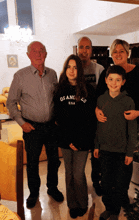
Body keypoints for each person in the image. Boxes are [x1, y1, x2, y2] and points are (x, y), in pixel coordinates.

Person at [6, 41, 64, 209]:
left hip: (51, 126)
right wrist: (22, 123)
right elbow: (11, 103)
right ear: (28, 55)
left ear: (45, 54)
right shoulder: (20, 76)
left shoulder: (52, 74)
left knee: (54, 161)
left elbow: (57, 99)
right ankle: (33, 193)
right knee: (32, 163)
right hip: (32, 128)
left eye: (41, 51)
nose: (38, 54)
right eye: (34, 51)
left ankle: (52, 188)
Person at [53, 54, 97, 219]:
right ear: (65, 70)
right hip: (65, 140)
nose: (71, 71)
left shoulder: (88, 89)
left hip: (82, 141)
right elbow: (58, 118)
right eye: (68, 67)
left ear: (80, 70)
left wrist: (78, 141)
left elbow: (90, 120)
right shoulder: (59, 89)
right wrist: (68, 140)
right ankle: (72, 204)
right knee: (68, 173)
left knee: (78, 174)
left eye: (75, 67)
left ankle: (83, 203)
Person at [94, 65, 137, 220]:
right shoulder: (101, 100)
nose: (114, 83)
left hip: (121, 151)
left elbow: (132, 128)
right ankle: (108, 207)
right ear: (105, 81)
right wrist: (96, 145)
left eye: (118, 80)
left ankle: (115, 211)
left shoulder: (128, 101)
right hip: (105, 149)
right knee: (105, 182)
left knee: (119, 185)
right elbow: (99, 125)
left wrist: (130, 152)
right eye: (111, 79)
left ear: (123, 82)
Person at [77, 36, 104, 196]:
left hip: (95, 120)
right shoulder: (72, 68)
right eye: (81, 47)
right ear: (77, 49)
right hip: (79, 121)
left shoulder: (99, 69)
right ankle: (79, 184)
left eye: (87, 47)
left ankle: (96, 182)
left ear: (91, 50)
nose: (84, 51)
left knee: (96, 154)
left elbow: (103, 94)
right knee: (79, 155)